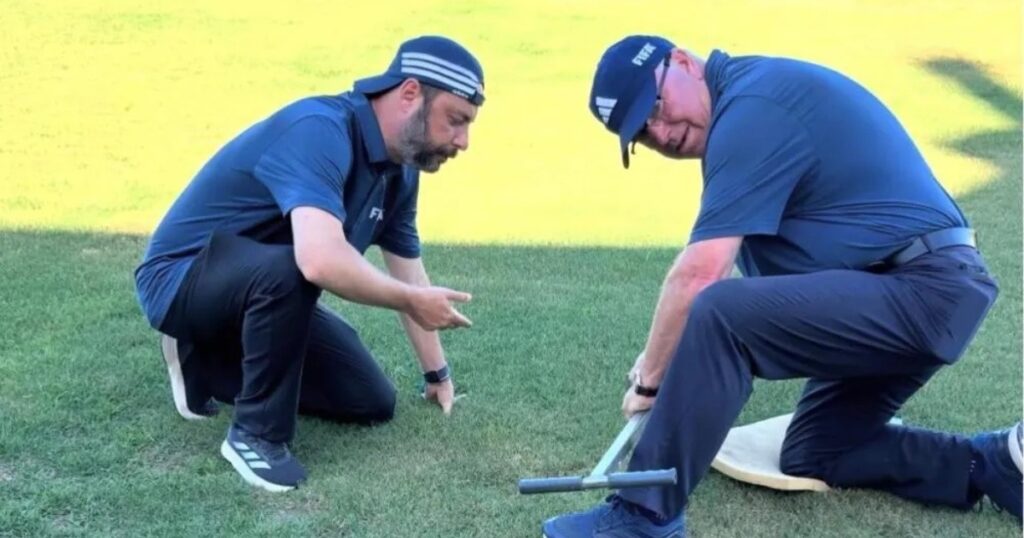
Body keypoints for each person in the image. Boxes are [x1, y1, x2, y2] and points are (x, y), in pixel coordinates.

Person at [542, 35, 1022, 537]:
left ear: (682, 61)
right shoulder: (748, 106)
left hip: (923, 289)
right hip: (902, 290)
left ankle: (643, 516)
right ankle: (987, 464)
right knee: (816, 450)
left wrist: (651, 378)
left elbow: (701, 274)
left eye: (656, 107)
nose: (661, 132)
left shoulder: (753, 109)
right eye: (643, 134)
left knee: (722, 313)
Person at [134, 35, 485, 492]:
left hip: (266, 289)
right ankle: (255, 437)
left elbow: (409, 273)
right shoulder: (320, 129)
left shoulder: (400, 171)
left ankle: (209, 361)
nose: (463, 141)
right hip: (181, 280)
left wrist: (437, 373)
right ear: (410, 93)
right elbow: (319, 261)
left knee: (371, 400)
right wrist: (411, 299)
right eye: (455, 120)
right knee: (292, 268)